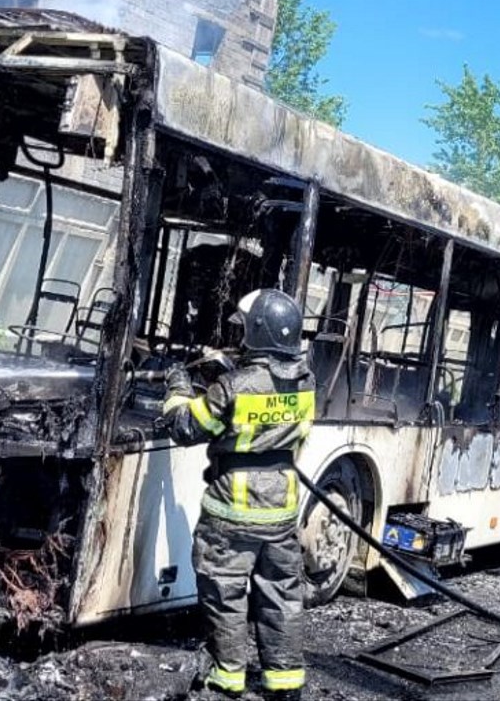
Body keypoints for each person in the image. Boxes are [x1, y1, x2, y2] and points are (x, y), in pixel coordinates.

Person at [161, 288, 314, 699]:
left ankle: (228, 676)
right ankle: (283, 682)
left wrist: (177, 385)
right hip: (282, 509)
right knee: (281, 594)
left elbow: (187, 428)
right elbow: (268, 398)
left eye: (245, 330)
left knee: (226, 591)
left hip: (232, 511)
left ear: (257, 332)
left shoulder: (233, 386)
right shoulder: (306, 380)